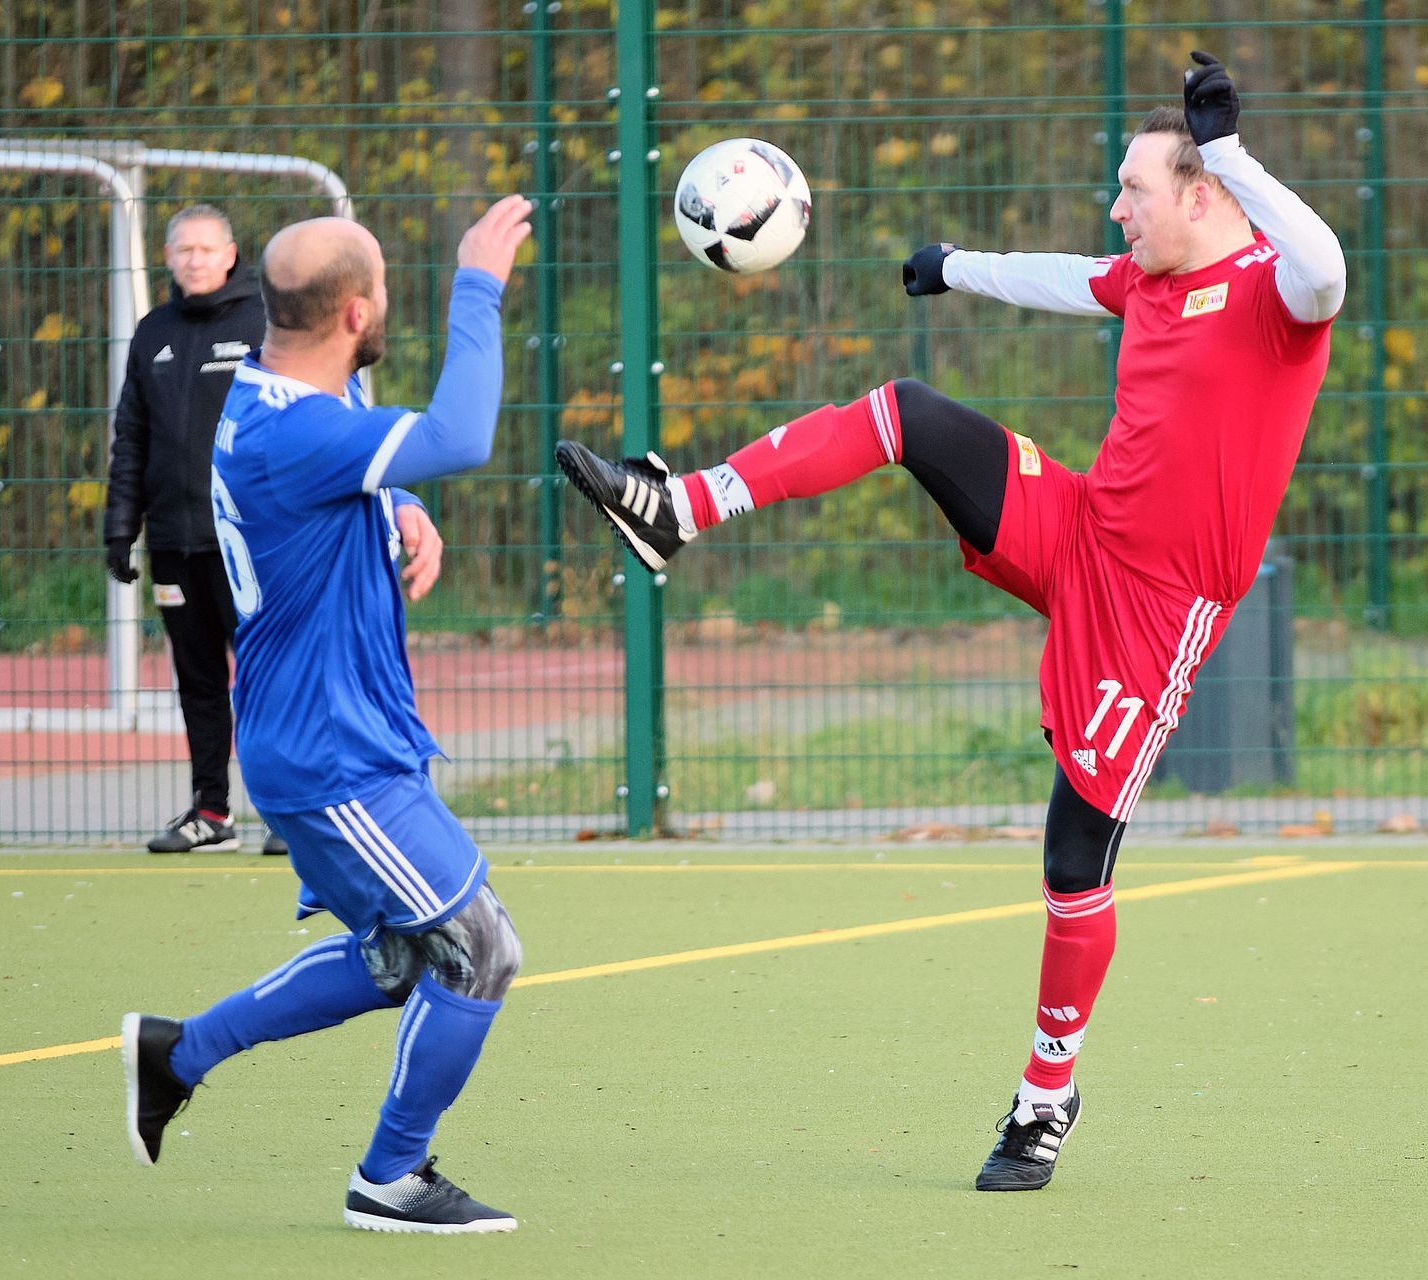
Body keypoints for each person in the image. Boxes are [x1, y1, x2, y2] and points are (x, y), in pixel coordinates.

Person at [554, 53, 1345, 1191]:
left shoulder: (1279, 293)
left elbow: (1328, 266)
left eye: (1135, 188)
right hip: (1080, 528)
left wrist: (1229, 149)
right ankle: (678, 508)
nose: (1117, 208)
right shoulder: (1148, 278)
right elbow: (1067, 278)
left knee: (1073, 860)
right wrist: (956, 267)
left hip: (1156, 616)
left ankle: (1046, 1094)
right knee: (907, 412)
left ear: (1202, 194)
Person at [121, 194, 535, 1233]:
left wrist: (404, 505)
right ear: (356, 313)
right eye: (381, 289)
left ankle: (180, 1052)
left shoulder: (290, 387)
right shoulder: (296, 427)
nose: (387, 302)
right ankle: (390, 1176)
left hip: (339, 737)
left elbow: (355, 461)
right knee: (482, 949)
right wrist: (477, 287)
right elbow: (459, 434)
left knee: (400, 959)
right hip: (329, 755)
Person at [104, 204, 287, 855]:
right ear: (169, 257)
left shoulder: (265, 323)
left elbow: (295, 424)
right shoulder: (153, 331)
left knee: (268, 677)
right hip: (175, 545)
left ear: (230, 255)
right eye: (184, 250)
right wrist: (120, 526)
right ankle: (211, 811)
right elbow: (132, 436)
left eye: (207, 249)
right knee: (198, 682)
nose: (195, 260)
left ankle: (287, 814)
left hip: (251, 543)